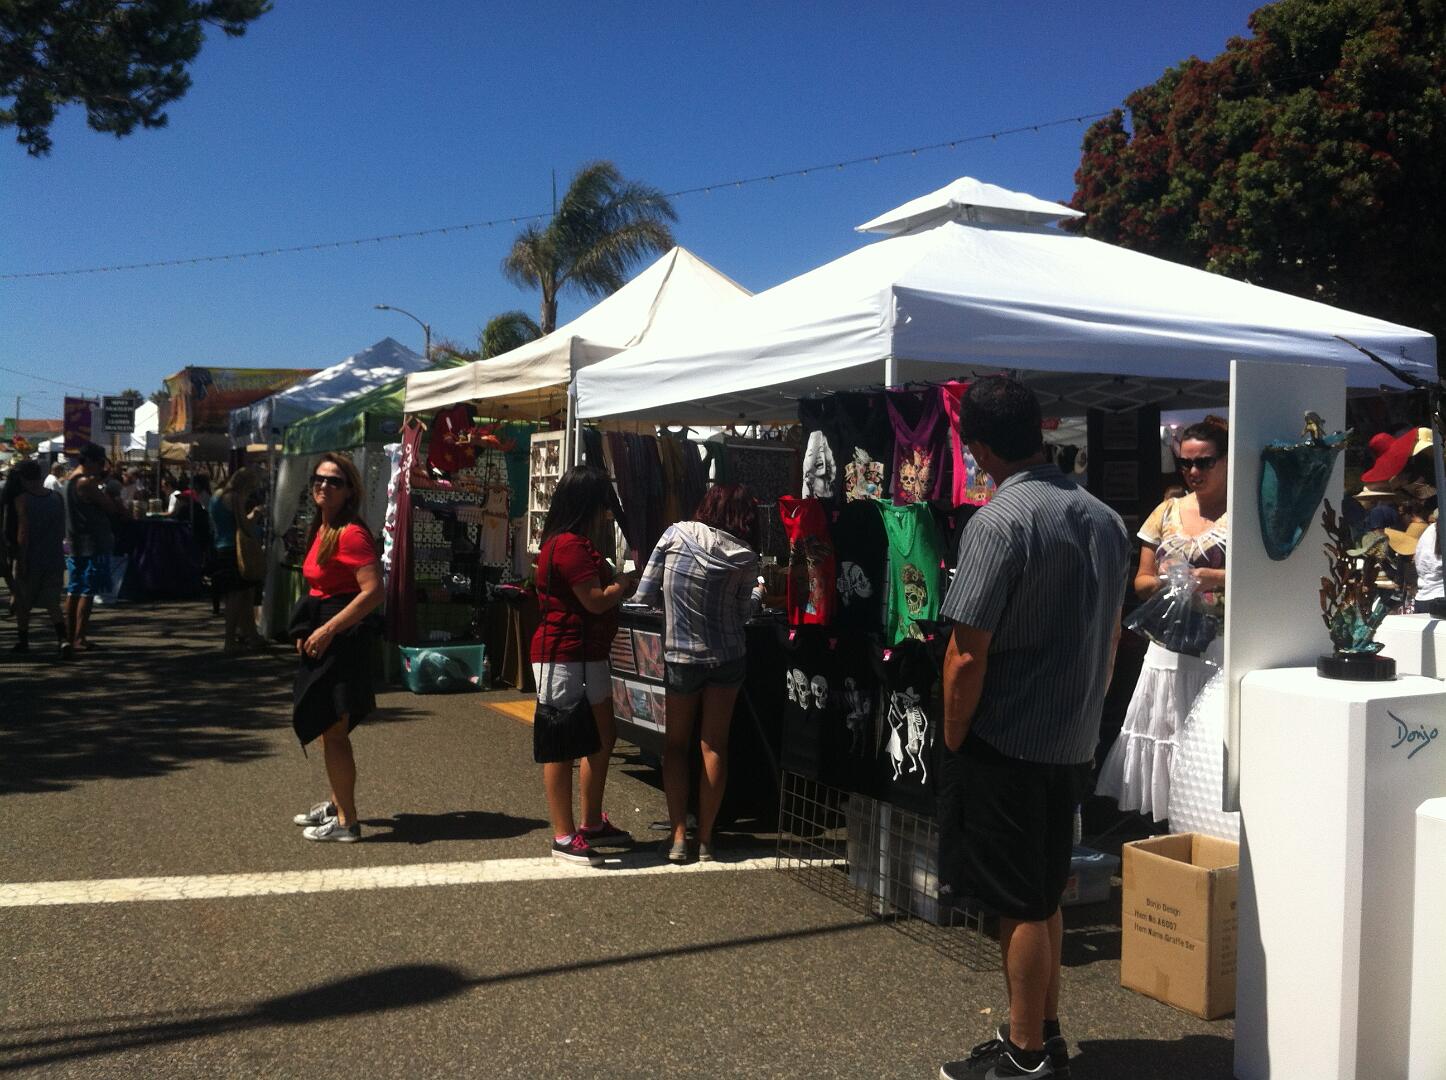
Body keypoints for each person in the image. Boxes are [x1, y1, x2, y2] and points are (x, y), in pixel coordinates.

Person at [937, 376, 1129, 1080]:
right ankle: (1043, 1033)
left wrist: (954, 735)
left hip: (1008, 736)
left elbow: (966, 653)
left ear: (979, 446)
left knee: (1017, 902)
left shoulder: (998, 522)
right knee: (1044, 890)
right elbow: (1112, 636)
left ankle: (1023, 1055)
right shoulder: (1105, 519)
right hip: (1071, 734)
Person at [1097, 416, 1229, 822]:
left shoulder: (1241, 513)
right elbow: (1140, 581)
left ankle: (1205, 819)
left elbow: (1263, 576)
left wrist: (1212, 577)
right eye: (1185, 463)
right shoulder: (1166, 511)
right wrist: (1166, 581)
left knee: (1208, 740)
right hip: (1168, 646)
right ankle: (1169, 825)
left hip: (1217, 646)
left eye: (1204, 462)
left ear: (1227, 461)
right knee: (1166, 731)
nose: (1193, 472)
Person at [634, 483, 761, 863]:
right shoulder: (745, 556)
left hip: (681, 657)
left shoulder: (676, 535)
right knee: (714, 745)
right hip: (728, 658)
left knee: (675, 746)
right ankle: (705, 840)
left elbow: (643, 595)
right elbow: (744, 613)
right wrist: (758, 593)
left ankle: (677, 838)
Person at [530, 465, 636, 866]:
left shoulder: (571, 542)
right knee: (561, 743)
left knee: (603, 735)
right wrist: (622, 583)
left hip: (586, 652)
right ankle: (563, 834)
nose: (607, 513)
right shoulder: (569, 545)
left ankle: (590, 822)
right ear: (587, 504)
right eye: (603, 504)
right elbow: (594, 599)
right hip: (562, 653)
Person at [288, 452, 383, 843]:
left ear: (349, 491)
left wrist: (327, 629)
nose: (323, 485)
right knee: (329, 728)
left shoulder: (351, 533)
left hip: (344, 640)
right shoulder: (324, 527)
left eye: (334, 481)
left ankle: (347, 822)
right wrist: (307, 627)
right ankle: (336, 802)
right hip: (327, 635)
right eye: (319, 478)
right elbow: (320, 585)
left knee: (334, 730)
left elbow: (373, 592)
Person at [62, 443, 126, 651]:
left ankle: (69, 637)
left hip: (76, 541)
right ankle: (79, 637)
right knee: (86, 591)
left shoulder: (70, 480)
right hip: (91, 543)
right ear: (89, 461)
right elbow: (110, 507)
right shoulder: (85, 483)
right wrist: (109, 491)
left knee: (74, 588)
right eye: (99, 462)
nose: (101, 467)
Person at [9, 459, 69, 658]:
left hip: (31, 557)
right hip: (54, 556)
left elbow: (23, 532)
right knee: (53, 603)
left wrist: (21, 559)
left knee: (23, 602)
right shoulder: (56, 498)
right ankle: (63, 639)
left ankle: (23, 640)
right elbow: (61, 528)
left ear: (23, 478)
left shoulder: (22, 499)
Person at [211, 467, 267, 653]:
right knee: (237, 596)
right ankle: (230, 640)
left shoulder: (217, 495)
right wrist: (256, 514)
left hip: (221, 546)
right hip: (235, 550)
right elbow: (244, 525)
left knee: (243, 594)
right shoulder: (235, 498)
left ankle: (250, 635)